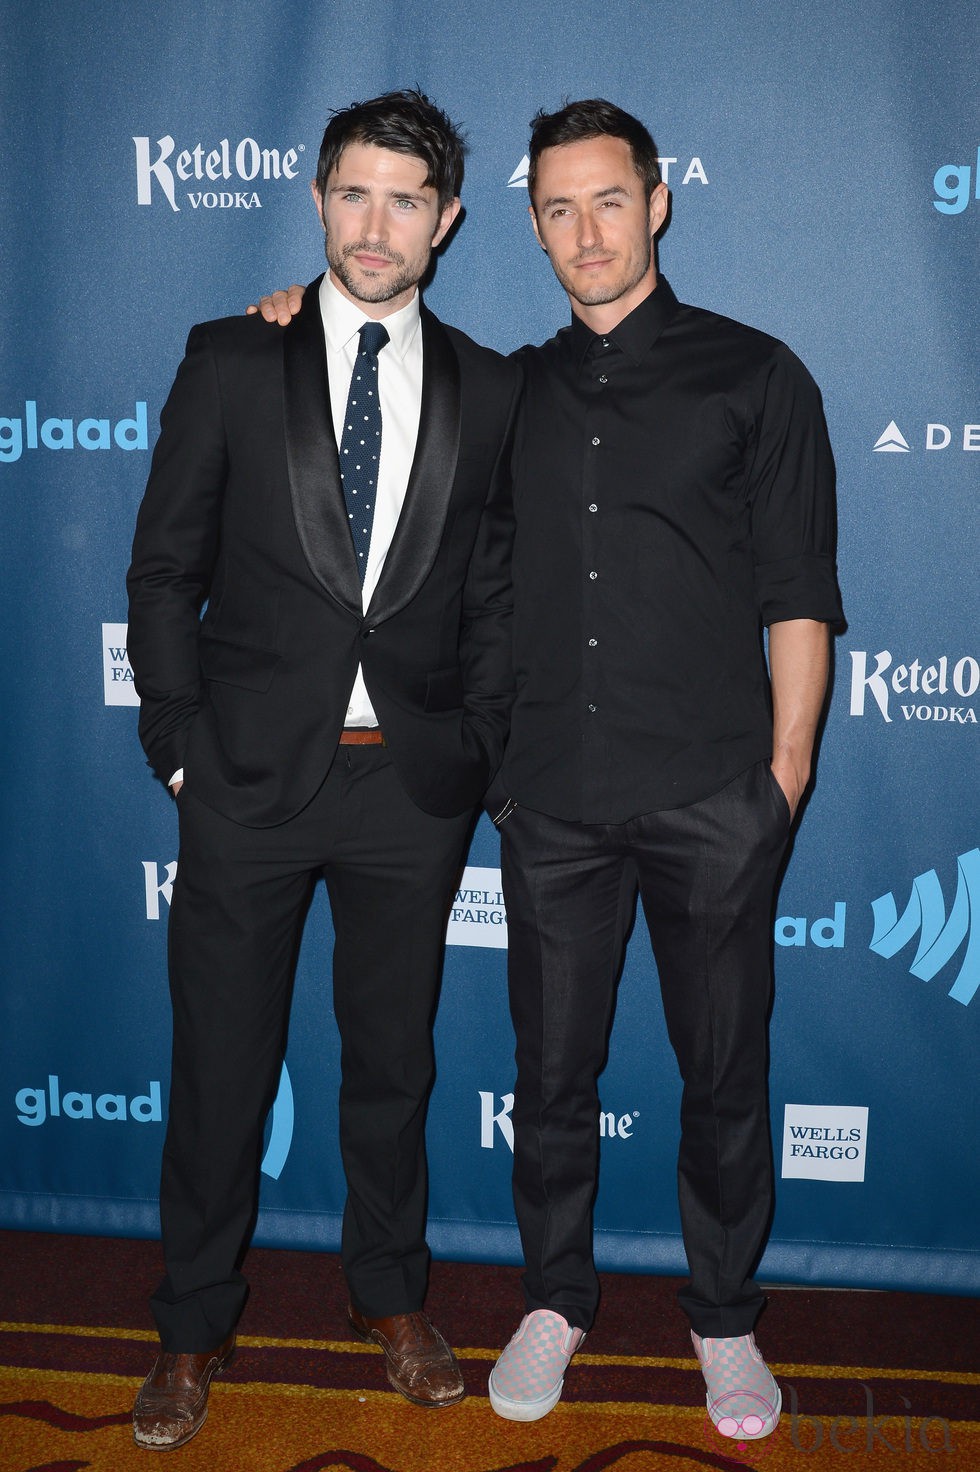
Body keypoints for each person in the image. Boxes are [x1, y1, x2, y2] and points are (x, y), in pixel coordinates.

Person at [254, 96, 844, 1445]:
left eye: (611, 201)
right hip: (553, 803)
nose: (587, 230)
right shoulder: (507, 388)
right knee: (553, 1074)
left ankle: (724, 1316)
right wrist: (294, 315)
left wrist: (782, 785)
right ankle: (555, 1299)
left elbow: (800, 595)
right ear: (528, 224)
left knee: (725, 1079)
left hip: (714, 797)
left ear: (659, 203)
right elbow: (368, 352)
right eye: (560, 208)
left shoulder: (759, 377)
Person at [126, 89, 519, 1450]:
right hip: (242, 779)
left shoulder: (492, 384)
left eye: (406, 200)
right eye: (353, 193)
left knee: (392, 1063)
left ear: (448, 222)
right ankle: (190, 1325)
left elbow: (496, 597)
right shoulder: (233, 359)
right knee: (220, 1063)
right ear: (316, 199)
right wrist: (178, 748)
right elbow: (165, 567)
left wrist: (472, 757)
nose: (376, 223)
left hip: (408, 791)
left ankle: (388, 1296)